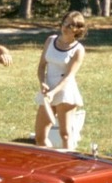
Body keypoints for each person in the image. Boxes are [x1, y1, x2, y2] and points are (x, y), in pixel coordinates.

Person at [35, 11, 87, 149]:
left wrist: (54, 92)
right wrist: (42, 83)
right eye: (65, 23)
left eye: (70, 25)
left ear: (78, 29)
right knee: (40, 137)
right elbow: (41, 67)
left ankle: (68, 165)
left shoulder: (78, 49)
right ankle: (49, 160)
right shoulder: (50, 40)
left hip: (65, 92)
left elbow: (69, 76)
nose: (65, 27)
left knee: (65, 134)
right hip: (47, 92)